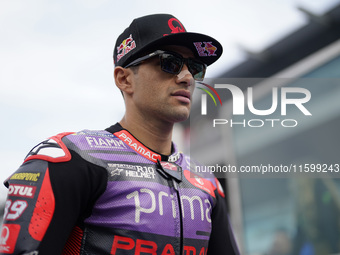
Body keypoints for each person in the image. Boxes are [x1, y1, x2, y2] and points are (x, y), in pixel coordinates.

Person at [0, 14, 239, 254]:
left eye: (196, 69)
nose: (187, 78)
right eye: (170, 63)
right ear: (124, 79)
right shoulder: (72, 157)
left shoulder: (207, 184)